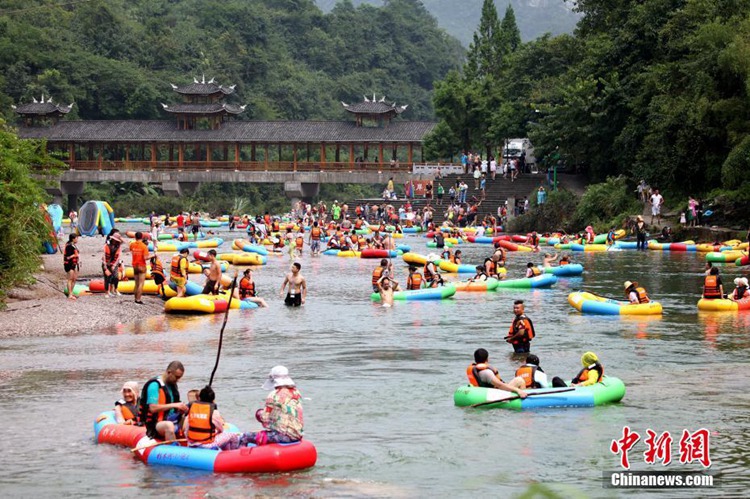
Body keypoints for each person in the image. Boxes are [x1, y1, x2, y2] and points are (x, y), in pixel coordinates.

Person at [240, 366, 304, 446]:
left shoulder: (274, 395)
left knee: (245, 436)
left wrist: (259, 414)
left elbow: (265, 419)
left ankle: (243, 452)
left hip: (282, 437)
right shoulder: (296, 392)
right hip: (297, 435)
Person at [139, 360, 188, 441]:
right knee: (169, 426)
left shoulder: (173, 385)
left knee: (190, 418)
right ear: (169, 372)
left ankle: (194, 444)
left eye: (179, 377)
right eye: (176, 377)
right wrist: (175, 405)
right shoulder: (154, 385)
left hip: (172, 419)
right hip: (155, 424)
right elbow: (152, 408)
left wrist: (181, 409)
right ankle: (172, 447)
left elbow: (174, 407)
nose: (178, 380)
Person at [183, 385, 241, 451]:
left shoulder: (192, 408)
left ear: (199, 398)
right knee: (233, 436)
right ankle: (232, 452)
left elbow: (186, 429)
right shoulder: (213, 411)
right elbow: (221, 429)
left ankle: (224, 452)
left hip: (191, 443)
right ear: (213, 400)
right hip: (207, 444)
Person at [130, 231, 150, 304]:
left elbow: (131, 250)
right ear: (142, 237)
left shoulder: (132, 244)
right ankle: (138, 299)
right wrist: (153, 256)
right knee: (141, 284)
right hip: (141, 265)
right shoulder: (144, 246)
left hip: (134, 265)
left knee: (136, 283)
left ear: (135, 237)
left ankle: (135, 298)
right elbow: (145, 258)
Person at [102, 232, 123, 297]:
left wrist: (114, 265)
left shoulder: (118, 246)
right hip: (106, 263)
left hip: (114, 263)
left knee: (116, 277)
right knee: (107, 278)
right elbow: (104, 256)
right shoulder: (107, 245)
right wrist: (105, 266)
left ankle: (115, 289)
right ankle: (107, 292)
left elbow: (118, 256)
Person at [63, 233, 80, 300]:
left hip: (73, 264)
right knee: (70, 279)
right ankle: (70, 294)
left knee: (74, 279)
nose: (77, 239)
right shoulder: (69, 246)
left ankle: (71, 292)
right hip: (69, 264)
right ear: (73, 239)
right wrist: (74, 255)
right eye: (76, 238)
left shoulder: (73, 245)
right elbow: (68, 256)